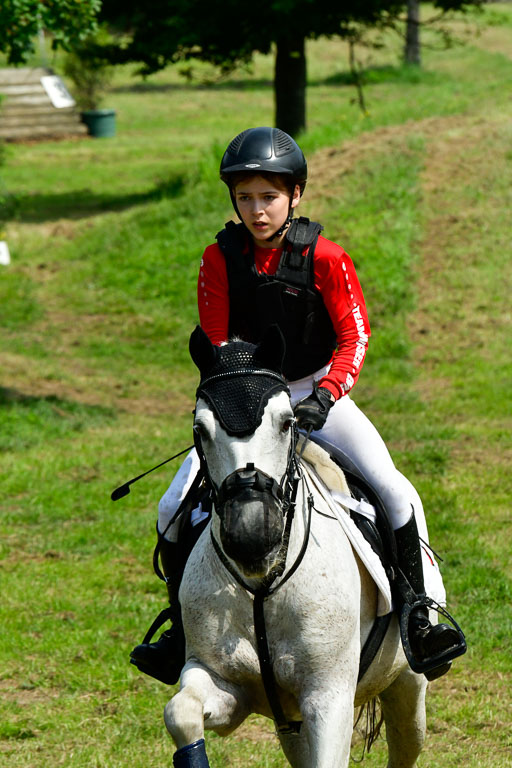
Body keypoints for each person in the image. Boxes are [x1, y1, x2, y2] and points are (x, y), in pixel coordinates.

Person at [130, 126, 465, 686]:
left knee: (394, 490)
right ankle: (181, 632)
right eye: (245, 199)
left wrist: (328, 395)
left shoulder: (328, 258)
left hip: (317, 393)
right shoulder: (218, 259)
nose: (257, 211)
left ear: (295, 195)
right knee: (171, 505)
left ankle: (422, 617)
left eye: (268, 197)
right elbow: (216, 344)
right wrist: (243, 397)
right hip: (249, 401)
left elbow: (353, 339)